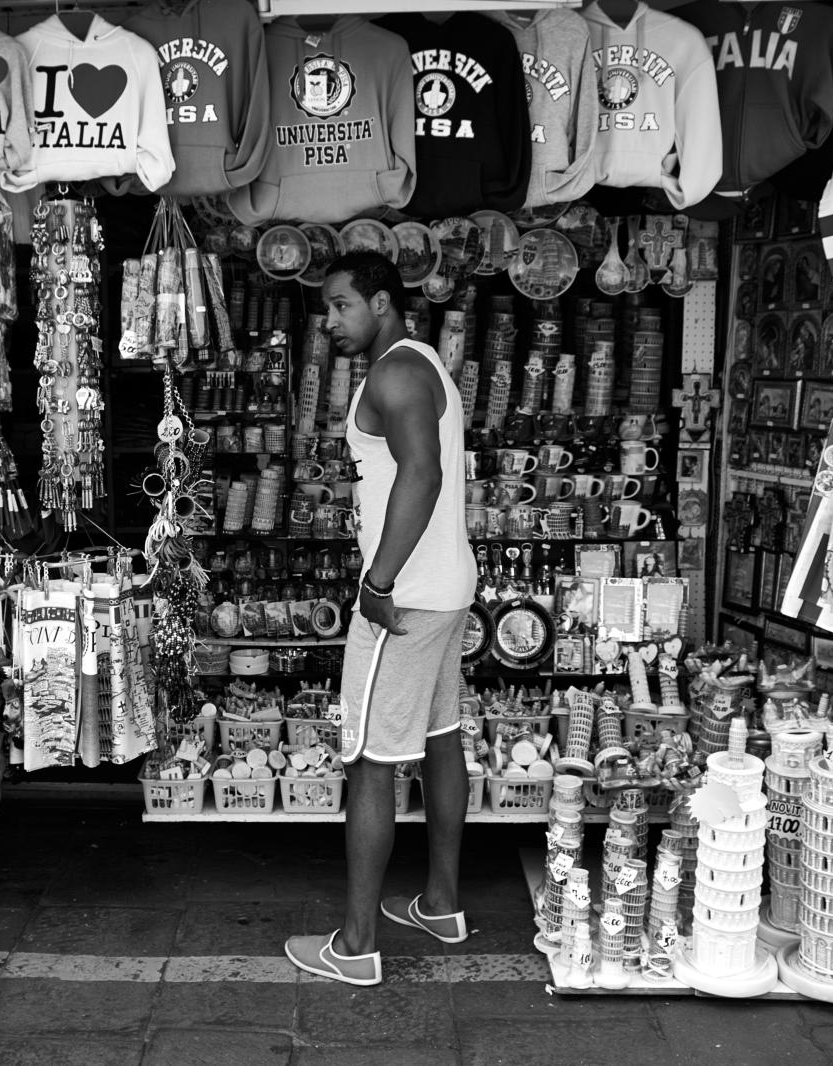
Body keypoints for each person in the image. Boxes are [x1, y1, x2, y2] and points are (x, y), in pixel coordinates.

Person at [283, 252, 476, 987]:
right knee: (440, 739)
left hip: (405, 598)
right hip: (447, 588)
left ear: (384, 302)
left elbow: (421, 474)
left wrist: (379, 578)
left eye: (340, 306)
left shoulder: (394, 373)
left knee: (368, 760)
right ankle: (441, 903)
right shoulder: (423, 362)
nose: (330, 322)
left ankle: (357, 945)